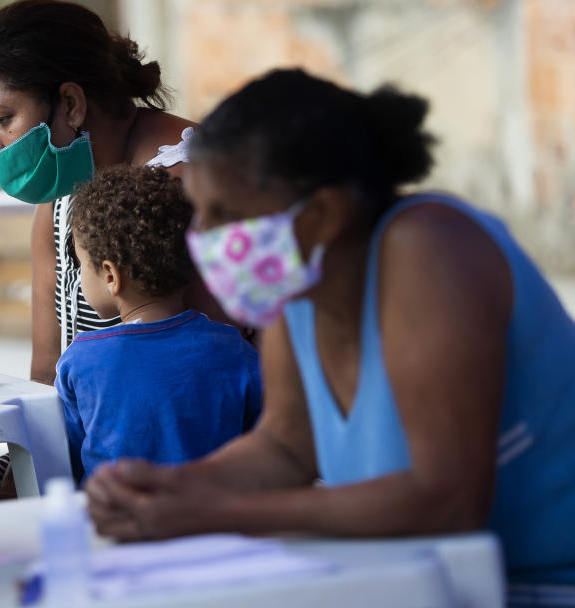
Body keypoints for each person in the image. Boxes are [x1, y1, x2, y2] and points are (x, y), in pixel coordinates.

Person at [85, 68, 575, 599]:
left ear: (322, 214)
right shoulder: (301, 285)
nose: (200, 235)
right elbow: (284, 448)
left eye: (225, 213)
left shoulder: (429, 248)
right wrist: (168, 486)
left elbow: (447, 500)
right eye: (200, 212)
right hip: (422, 581)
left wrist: (213, 512)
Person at [0, 0, 228, 387]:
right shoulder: (59, 186)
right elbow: (46, 373)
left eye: (3, 119)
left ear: (70, 103)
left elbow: (221, 364)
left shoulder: (189, 180)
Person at [57, 165, 262, 483]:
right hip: (220, 521)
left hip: (117, 523)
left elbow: (62, 463)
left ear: (110, 276)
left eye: (81, 264)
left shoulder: (80, 362)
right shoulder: (233, 348)